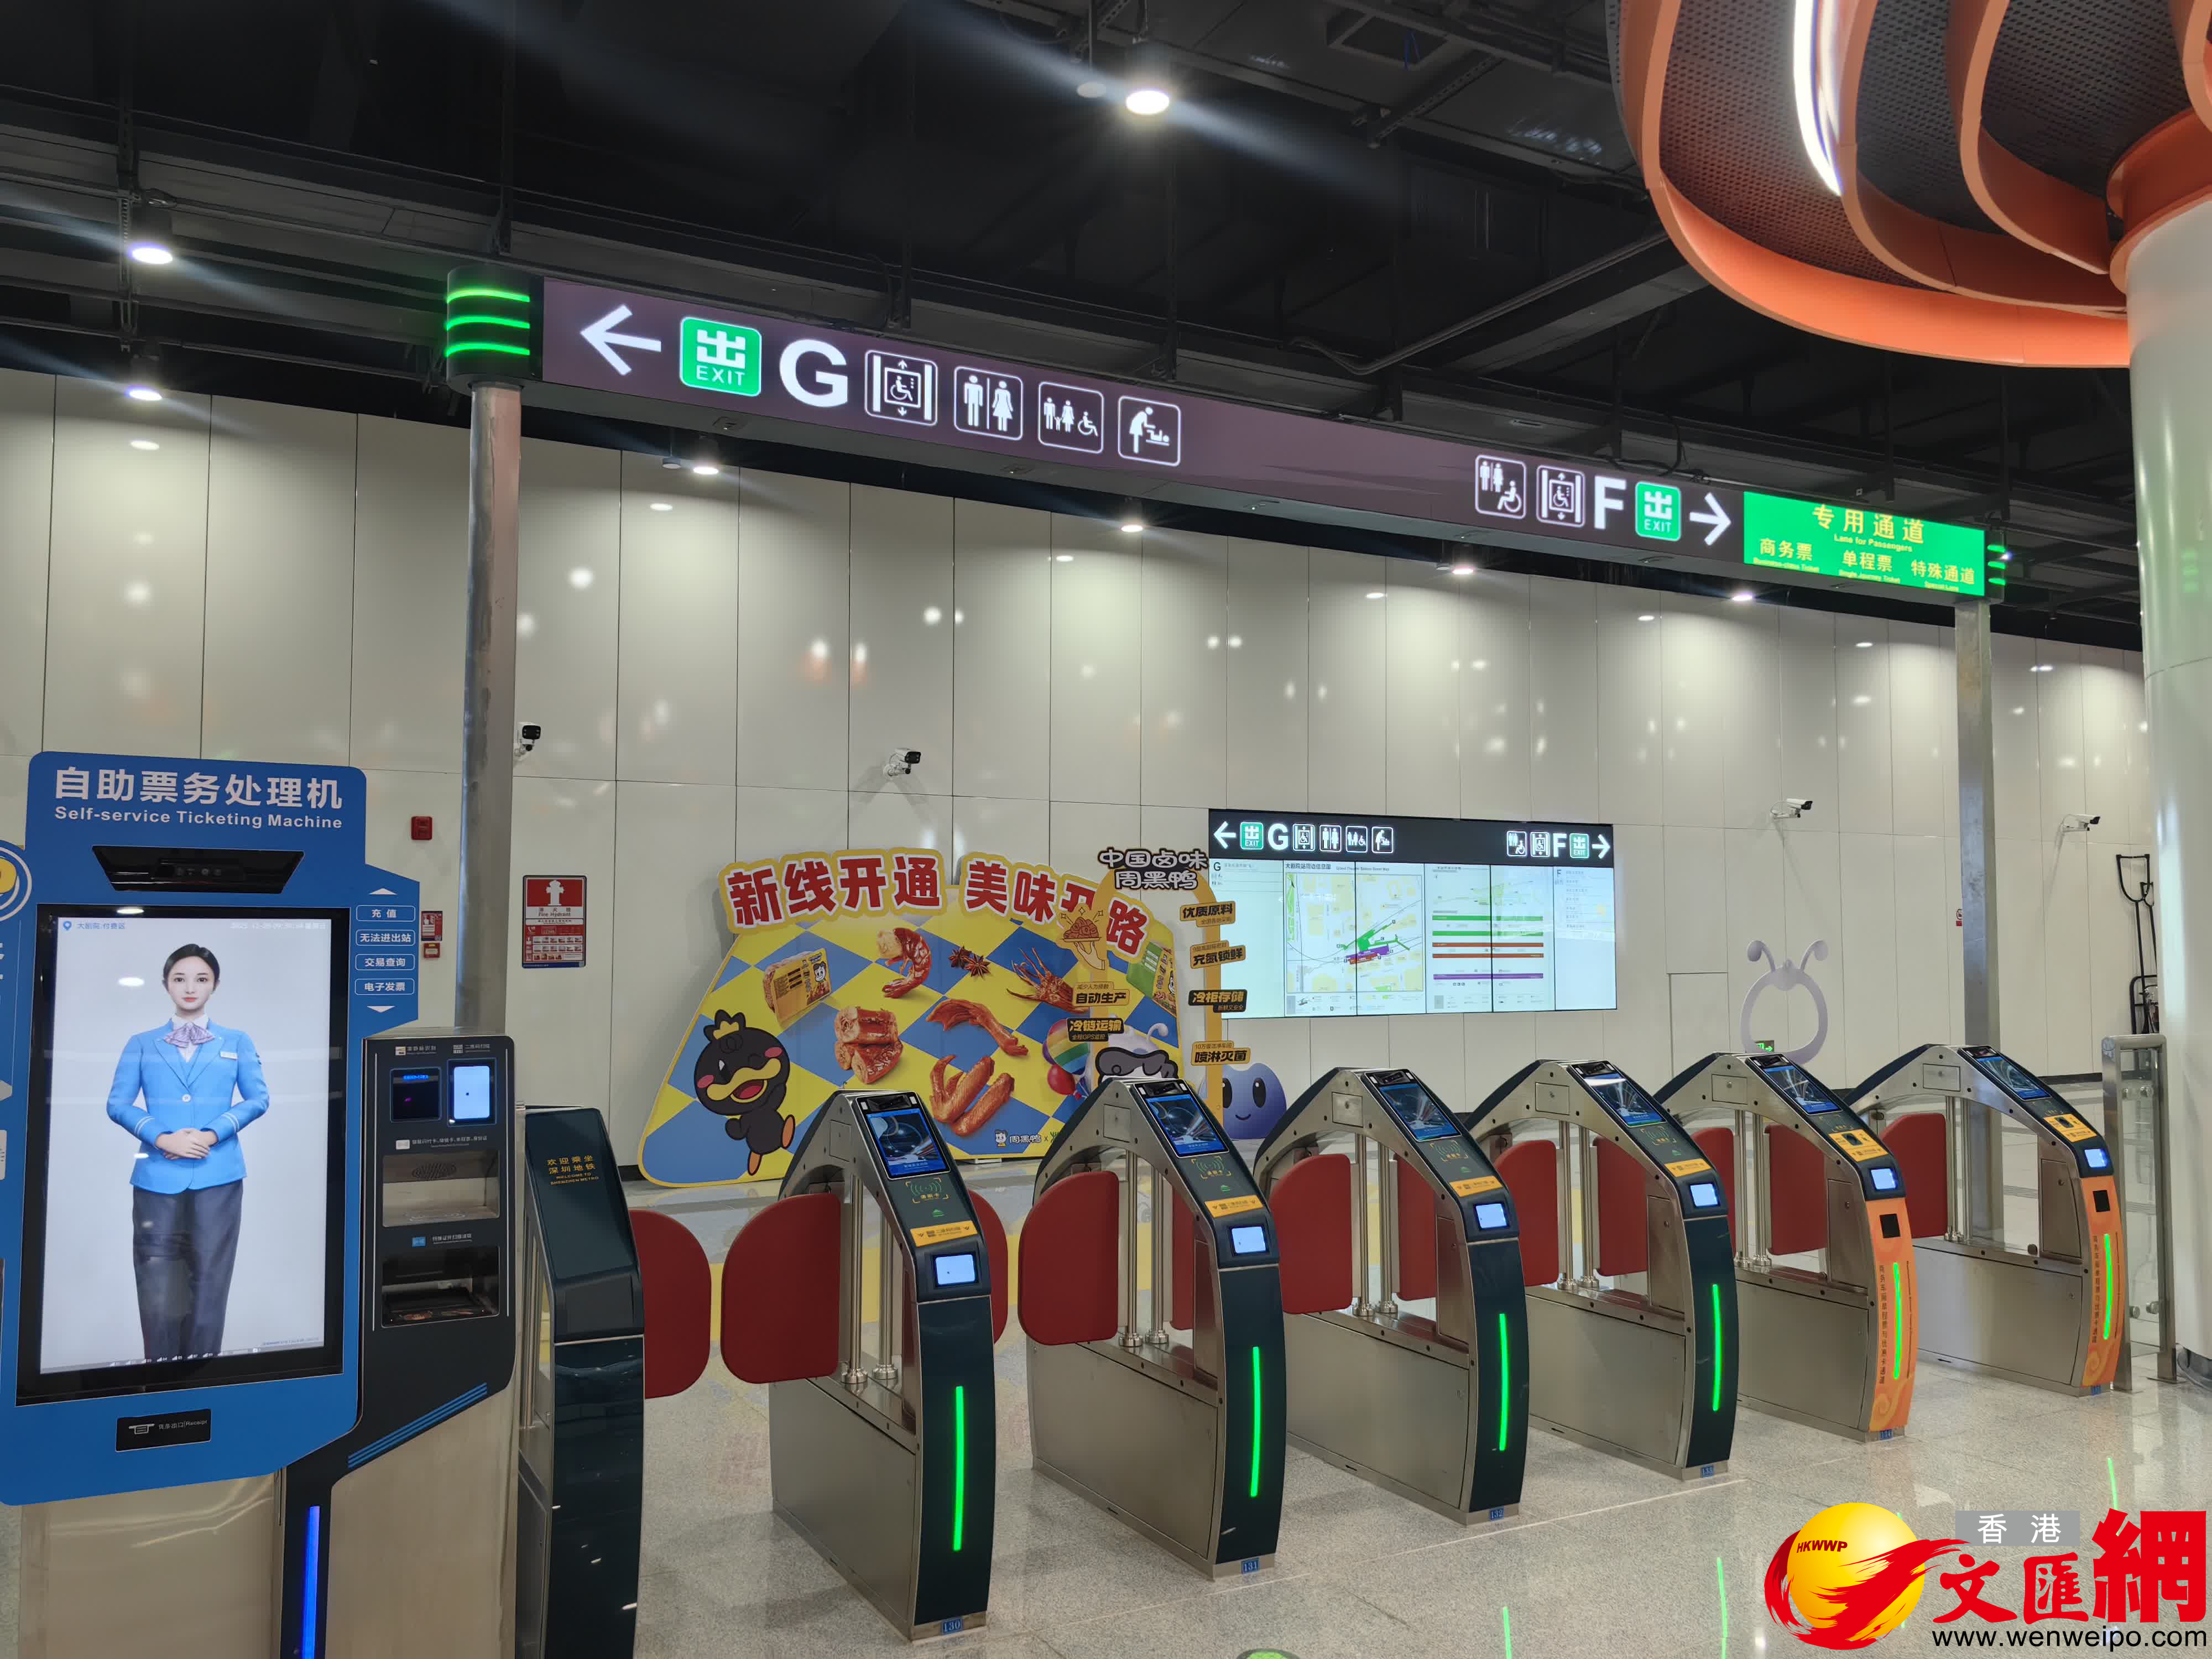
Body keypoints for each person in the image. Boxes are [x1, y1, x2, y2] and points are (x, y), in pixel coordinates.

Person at [105, 943, 268, 1362]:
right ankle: (159, 1373)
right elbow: (118, 1104)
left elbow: (257, 1099)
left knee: (212, 1278)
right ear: (166, 984)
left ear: (215, 985)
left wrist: (212, 1134)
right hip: (156, 1178)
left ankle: (202, 1374)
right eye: (180, 978)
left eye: (201, 979)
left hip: (219, 1177)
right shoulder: (141, 1043)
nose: (190, 987)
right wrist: (162, 1138)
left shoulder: (237, 1041)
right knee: (157, 1281)